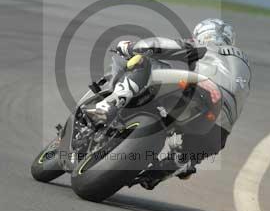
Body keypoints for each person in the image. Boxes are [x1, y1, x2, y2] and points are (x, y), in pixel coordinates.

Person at [86, 19, 252, 188]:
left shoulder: (207, 46)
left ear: (204, 34)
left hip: (202, 89)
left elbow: (164, 46)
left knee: (143, 61)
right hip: (218, 131)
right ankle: (172, 167)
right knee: (185, 157)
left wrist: (131, 47)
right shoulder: (243, 66)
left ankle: (109, 106)